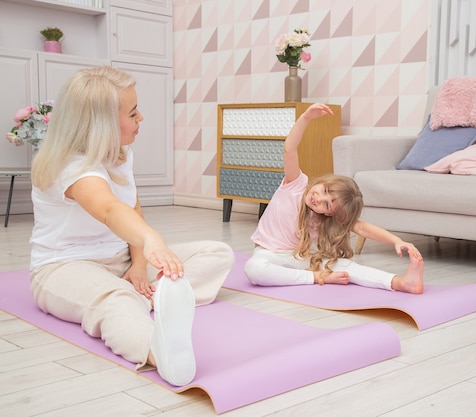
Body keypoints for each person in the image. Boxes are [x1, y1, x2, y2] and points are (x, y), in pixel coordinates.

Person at [29, 65, 235, 387]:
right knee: (114, 300)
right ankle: (158, 350)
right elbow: (110, 210)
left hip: (122, 261)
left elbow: (132, 208)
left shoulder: (121, 154)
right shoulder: (69, 166)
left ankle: (145, 296)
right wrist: (152, 239)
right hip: (64, 267)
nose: (141, 119)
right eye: (133, 113)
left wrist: (140, 264)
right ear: (101, 124)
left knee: (217, 253)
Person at [243, 103, 424, 294]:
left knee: (343, 266)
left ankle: (401, 283)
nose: (318, 198)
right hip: (268, 255)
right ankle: (316, 278)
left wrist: (396, 240)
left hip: (298, 258)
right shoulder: (296, 185)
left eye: (327, 203)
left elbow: (361, 227)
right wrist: (305, 118)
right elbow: (290, 149)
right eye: (325, 190)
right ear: (323, 181)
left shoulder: (322, 219)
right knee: (254, 269)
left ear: (330, 213)